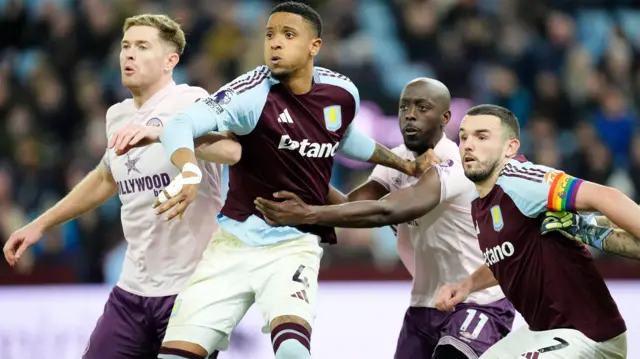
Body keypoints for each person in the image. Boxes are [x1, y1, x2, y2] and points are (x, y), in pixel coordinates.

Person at [111, 2, 436, 359]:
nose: (275, 44)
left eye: (288, 35)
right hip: (231, 244)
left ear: (315, 46)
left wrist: (402, 164)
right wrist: (188, 171)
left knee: (293, 352)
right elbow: (180, 126)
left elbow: (343, 138)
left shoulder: (342, 93)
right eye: (269, 35)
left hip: (292, 247)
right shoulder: (250, 93)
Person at [2, 14, 240, 359]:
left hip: (193, 290)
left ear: (170, 61)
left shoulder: (192, 101)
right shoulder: (118, 115)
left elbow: (233, 151)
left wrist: (167, 134)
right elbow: (104, 177)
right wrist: (41, 223)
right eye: (126, 45)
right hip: (132, 292)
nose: (128, 54)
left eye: (143, 46)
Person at [254, 78, 515, 359]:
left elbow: (388, 210)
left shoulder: (454, 162)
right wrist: (302, 164)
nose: (410, 114)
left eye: (422, 107)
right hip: (424, 304)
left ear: (445, 118)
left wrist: (308, 213)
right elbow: (352, 207)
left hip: (479, 301)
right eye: (404, 107)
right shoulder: (399, 160)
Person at [433, 104, 630, 358]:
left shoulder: (521, 180)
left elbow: (606, 196)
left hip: (588, 335)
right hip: (542, 331)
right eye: (463, 137)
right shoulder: (478, 200)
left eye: (482, 137)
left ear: (510, 148)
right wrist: (467, 285)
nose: (468, 145)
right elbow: (507, 256)